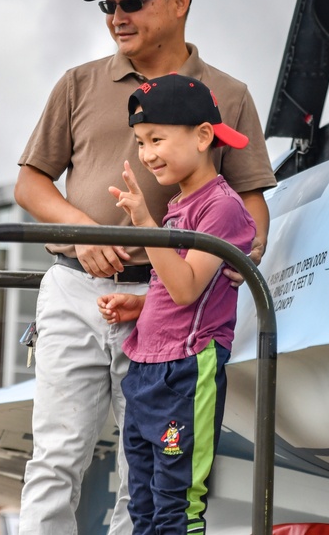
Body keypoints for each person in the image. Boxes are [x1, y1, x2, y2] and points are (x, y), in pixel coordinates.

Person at [15, 0, 276, 535]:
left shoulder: (227, 95)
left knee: (150, 477)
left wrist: (238, 261)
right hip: (75, 291)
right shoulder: (77, 83)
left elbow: (251, 202)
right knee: (55, 459)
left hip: (166, 308)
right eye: (108, 4)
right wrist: (84, 234)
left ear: (180, 3)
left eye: (131, 2)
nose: (116, 16)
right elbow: (30, 185)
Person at [98, 74, 256, 535]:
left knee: (176, 504)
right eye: (141, 142)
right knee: (142, 503)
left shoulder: (221, 208)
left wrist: (146, 224)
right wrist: (140, 306)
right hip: (146, 366)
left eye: (157, 139)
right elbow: (174, 290)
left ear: (203, 135)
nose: (146, 154)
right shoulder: (179, 205)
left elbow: (188, 288)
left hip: (187, 370)